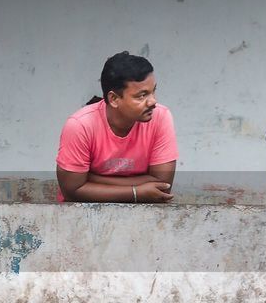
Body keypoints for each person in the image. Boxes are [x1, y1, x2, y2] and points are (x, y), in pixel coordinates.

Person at [55, 52, 178, 203]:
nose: (153, 101)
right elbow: (72, 191)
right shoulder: (80, 125)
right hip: (84, 219)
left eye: (153, 91)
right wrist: (135, 192)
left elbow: (162, 187)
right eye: (142, 95)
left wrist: (92, 179)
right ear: (113, 99)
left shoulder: (161, 117)